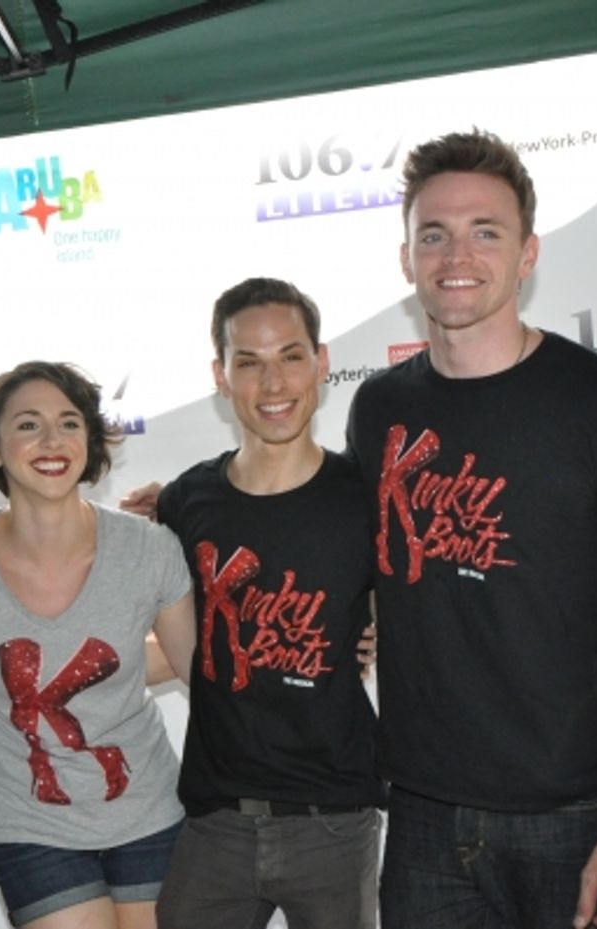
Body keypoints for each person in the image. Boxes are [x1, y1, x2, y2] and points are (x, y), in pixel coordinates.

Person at [344, 129, 597, 929]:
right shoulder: (379, 411)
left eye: (485, 232)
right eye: (432, 234)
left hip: (573, 817)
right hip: (423, 819)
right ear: (406, 258)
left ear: (528, 252)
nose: (455, 254)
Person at [0, 361, 195, 929]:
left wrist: (334, 642)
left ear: (90, 442)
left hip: (149, 810)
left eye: (69, 423)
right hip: (31, 825)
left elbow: (198, 664)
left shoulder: (149, 549)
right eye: (27, 425)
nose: (51, 441)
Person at [148, 278, 385, 929]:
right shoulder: (186, 502)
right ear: (220, 376)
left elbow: (440, 602)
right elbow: (157, 630)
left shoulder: (367, 498)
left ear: (322, 361)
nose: (272, 383)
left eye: (290, 355)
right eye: (248, 362)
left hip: (334, 820)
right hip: (216, 821)